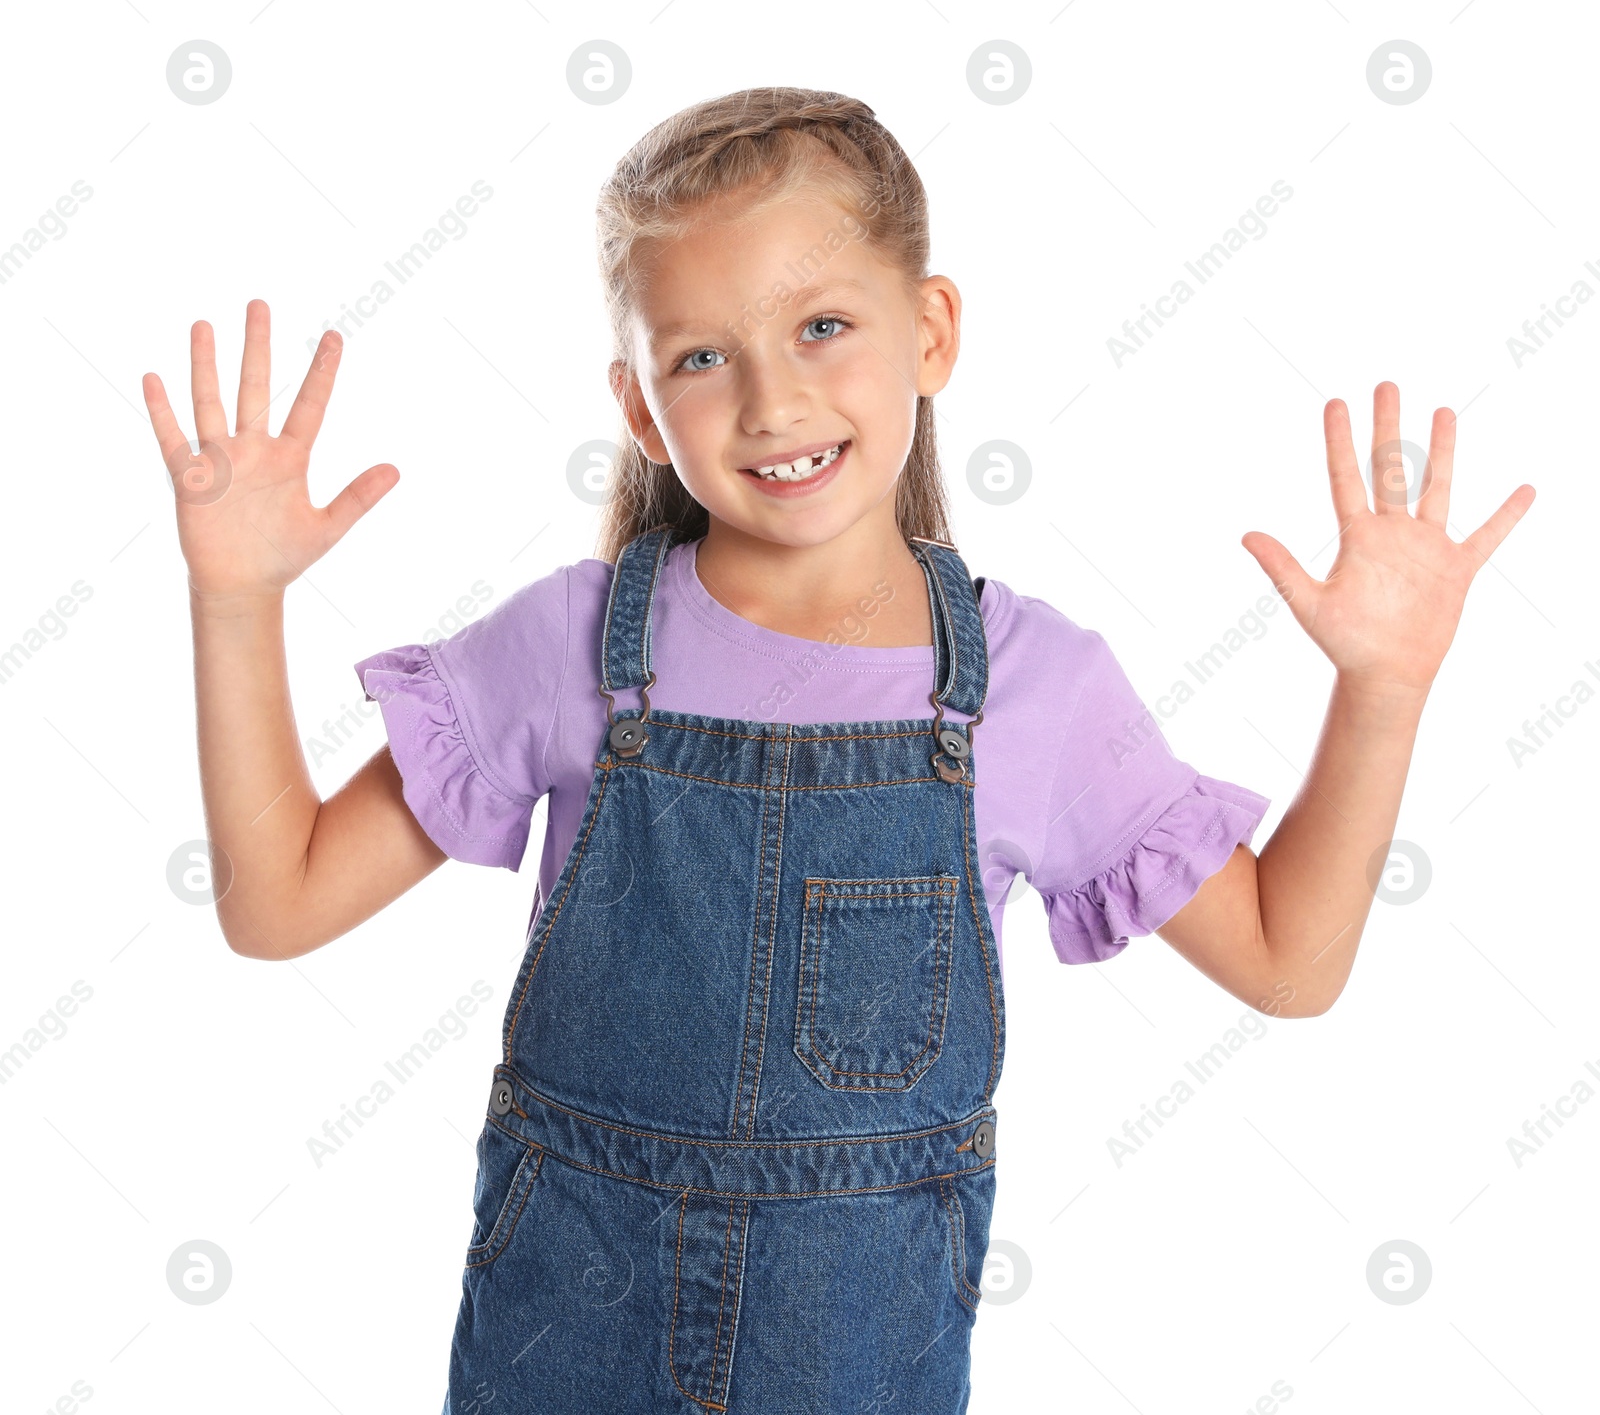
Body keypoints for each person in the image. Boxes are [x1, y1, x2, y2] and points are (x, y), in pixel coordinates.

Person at [140, 86, 1534, 1414]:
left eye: (821, 325)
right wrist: (234, 599)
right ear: (638, 406)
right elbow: (279, 903)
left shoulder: (1033, 693)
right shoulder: (570, 645)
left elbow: (1291, 963)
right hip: (561, 1345)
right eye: (701, 356)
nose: (770, 400)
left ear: (930, 330)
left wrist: (1383, 686)